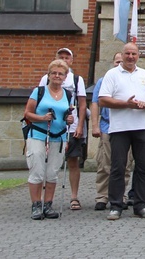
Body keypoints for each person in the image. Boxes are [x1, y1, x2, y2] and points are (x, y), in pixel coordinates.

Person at [98, 42, 145, 220]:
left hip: (142, 127)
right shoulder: (112, 74)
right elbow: (103, 100)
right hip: (119, 129)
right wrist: (127, 104)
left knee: (143, 167)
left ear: (138, 55)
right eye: (127, 54)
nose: (130, 57)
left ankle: (141, 205)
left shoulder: (144, 75)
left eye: (134, 54)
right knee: (118, 167)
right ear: (122, 55)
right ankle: (116, 206)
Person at [24, 59, 74, 219]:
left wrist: (70, 120)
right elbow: (27, 114)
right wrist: (42, 117)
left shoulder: (68, 94)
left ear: (65, 77)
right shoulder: (39, 92)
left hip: (58, 137)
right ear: (49, 75)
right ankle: (36, 205)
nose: (57, 76)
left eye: (60, 74)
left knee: (52, 172)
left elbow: (68, 114)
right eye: (54, 73)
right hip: (38, 135)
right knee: (37, 171)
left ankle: (48, 204)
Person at [38, 47, 86, 211]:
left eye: (67, 57)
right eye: (61, 57)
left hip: (71, 127)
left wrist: (80, 125)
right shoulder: (45, 78)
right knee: (47, 161)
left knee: (73, 161)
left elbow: (82, 103)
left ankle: (74, 196)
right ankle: (45, 198)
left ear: (71, 61)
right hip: (49, 128)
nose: (64, 60)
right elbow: (40, 100)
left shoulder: (77, 79)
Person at [91, 52, 133, 210]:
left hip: (126, 127)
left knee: (125, 164)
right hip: (108, 126)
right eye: (117, 61)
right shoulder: (103, 81)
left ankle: (121, 196)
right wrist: (95, 126)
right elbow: (95, 104)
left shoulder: (130, 80)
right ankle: (102, 196)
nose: (119, 64)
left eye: (121, 61)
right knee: (105, 163)